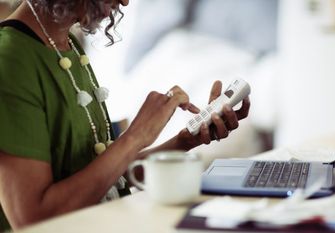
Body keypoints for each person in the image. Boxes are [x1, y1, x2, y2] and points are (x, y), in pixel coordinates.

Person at [0, 0, 250, 231]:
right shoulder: (9, 58)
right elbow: (32, 219)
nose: (125, 2)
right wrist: (135, 136)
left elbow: (104, 176)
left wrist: (184, 141)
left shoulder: (68, 46)